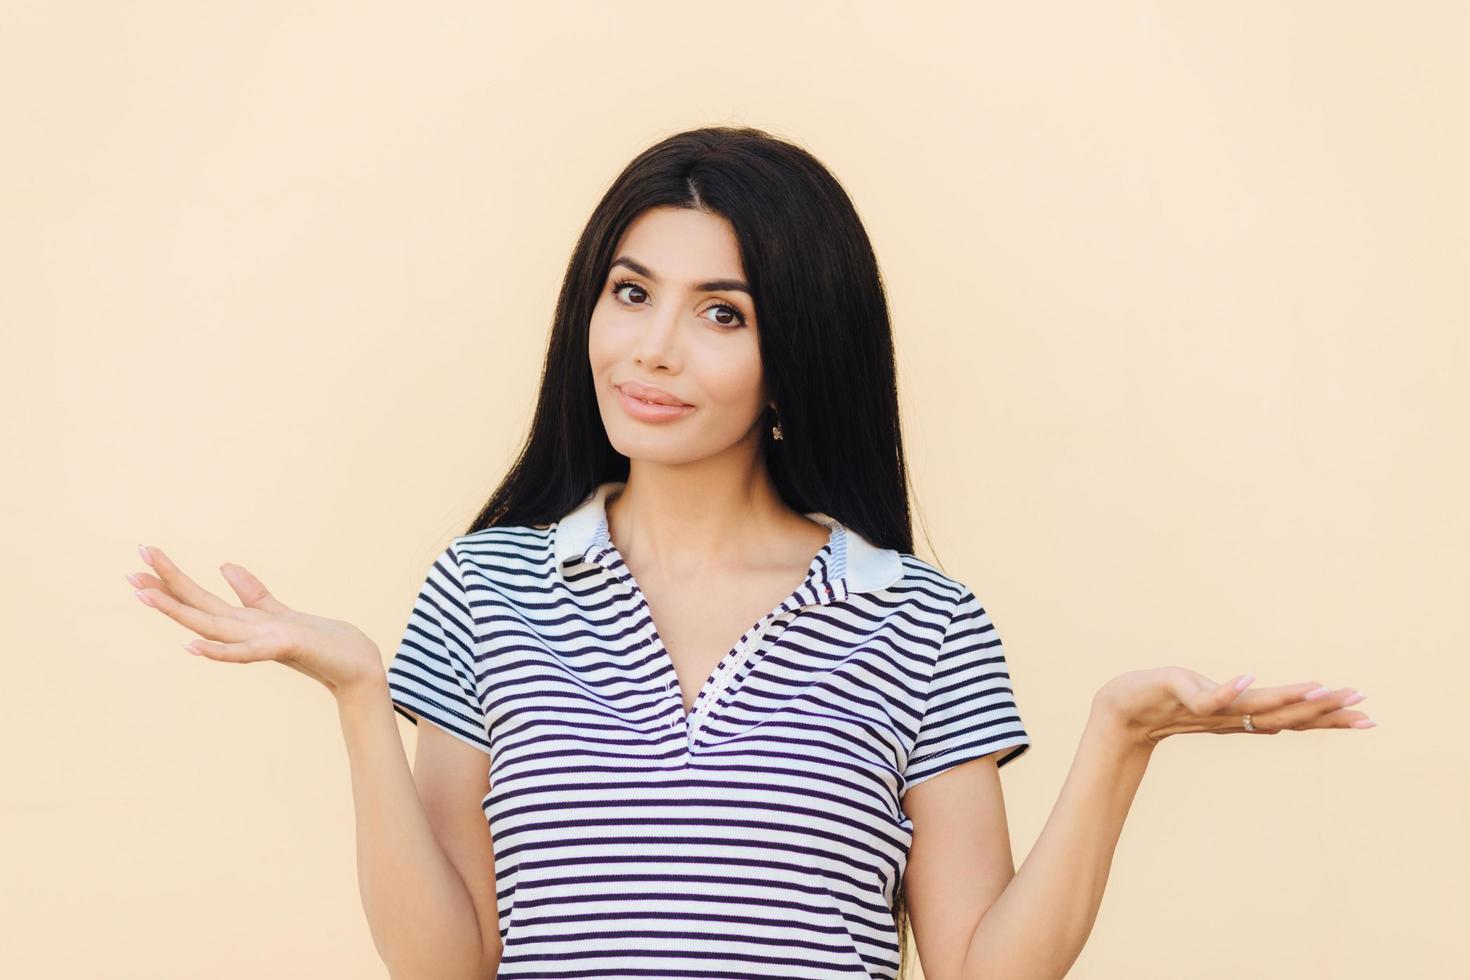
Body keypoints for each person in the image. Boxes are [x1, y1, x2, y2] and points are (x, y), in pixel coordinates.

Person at [126, 126, 1375, 980]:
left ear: (799, 359)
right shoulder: (486, 587)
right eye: (631, 292)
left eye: (721, 312)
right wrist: (358, 693)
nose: (655, 347)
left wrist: (1118, 738)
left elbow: (981, 966)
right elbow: (451, 961)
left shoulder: (921, 618)